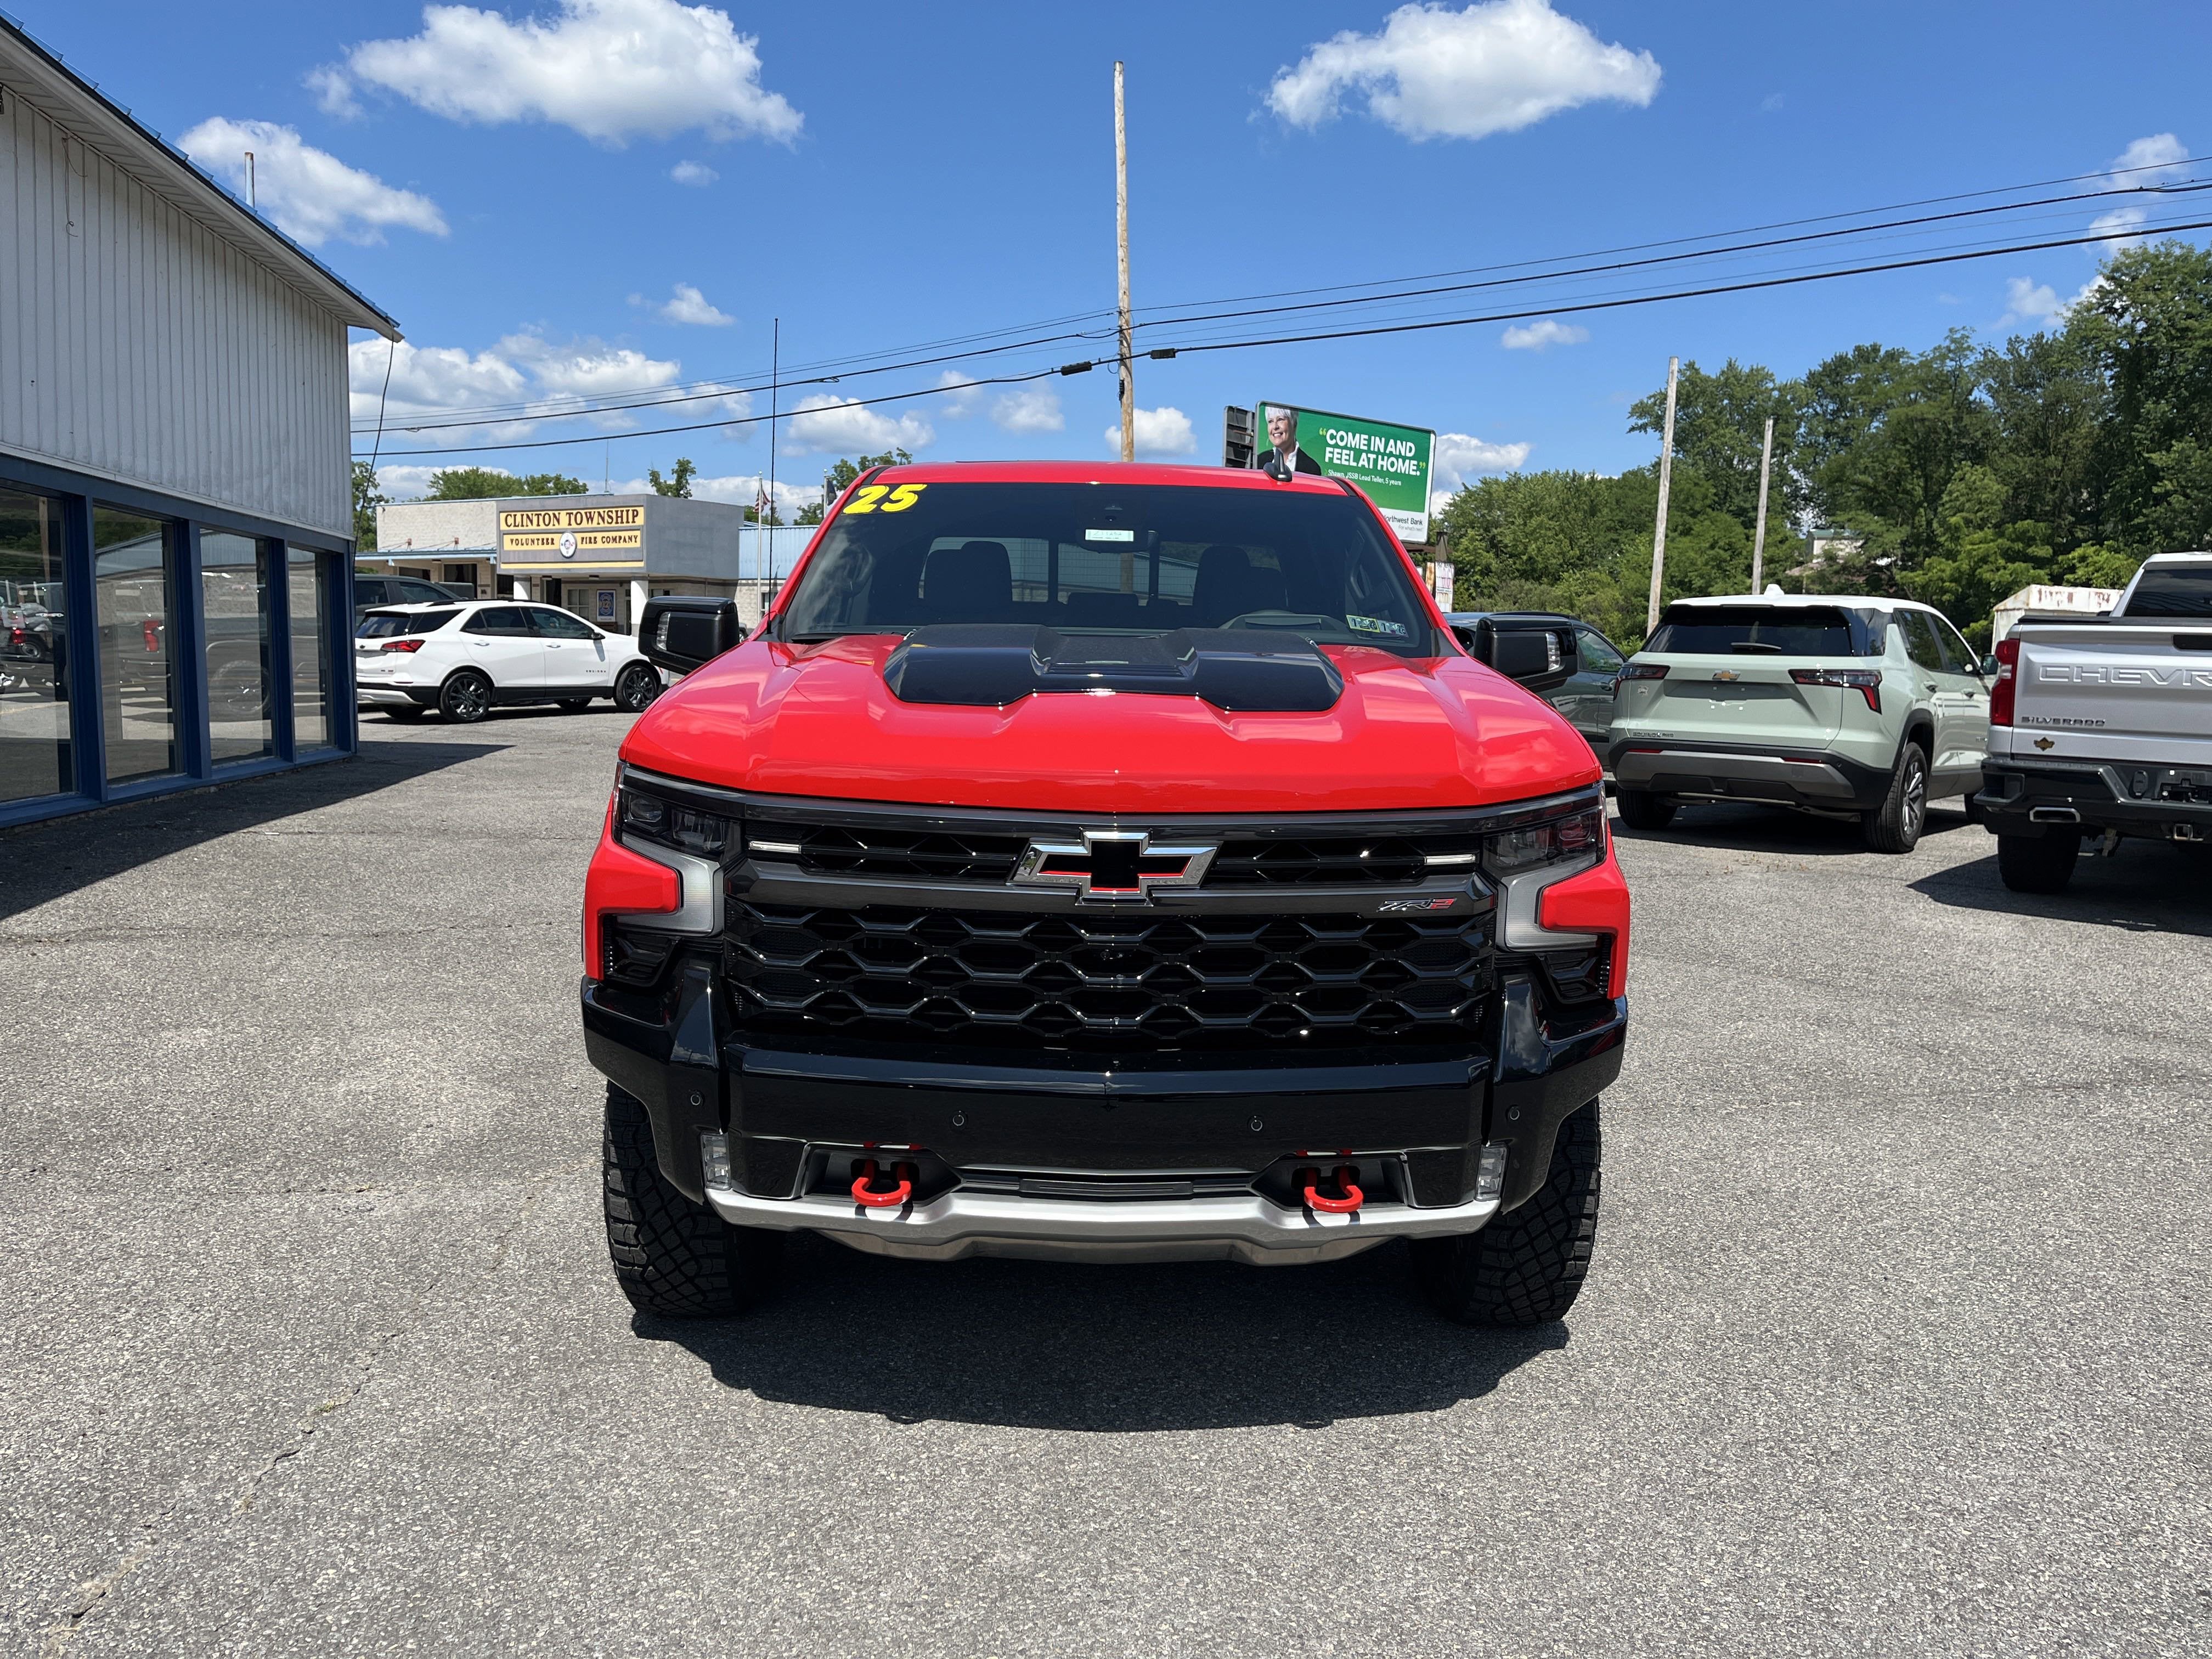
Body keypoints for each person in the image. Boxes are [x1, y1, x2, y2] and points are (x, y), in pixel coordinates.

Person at [1257, 405, 1322, 479]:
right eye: (1270, 421)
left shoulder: (1312, 468)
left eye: (1280, 420)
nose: (1275, 427)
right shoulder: (1259, 461)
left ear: (1294, 424)